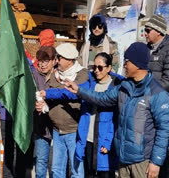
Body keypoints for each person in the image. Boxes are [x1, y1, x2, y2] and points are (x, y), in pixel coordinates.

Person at [64, 42, 169, 178]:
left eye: (127, 61)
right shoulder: (123, 87)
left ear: (137, 64)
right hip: (123, 159)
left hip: (143, 162)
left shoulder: (157, 93)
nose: (124, 65)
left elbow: (164, 129)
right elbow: (102, 98)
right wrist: (79, 90)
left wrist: (156, 161)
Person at [40, 52, 123, 178]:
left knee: (104, 173)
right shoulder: (90, 83)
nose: (96, 71)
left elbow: (116, 120)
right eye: (94, 67)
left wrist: (108, 141)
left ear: (109, 68)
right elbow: (69, 93)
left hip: (104, 142)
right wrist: (47, 93)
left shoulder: (115, 86)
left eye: (100, 68)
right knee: (87, 173)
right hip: (88, 138)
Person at [45, 42, 88, 178]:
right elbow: (49, 94)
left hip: (73, 131)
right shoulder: (55, 74)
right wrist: (44, 104)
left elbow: (70, 93)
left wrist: (49, 93)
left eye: (59, 58)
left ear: (69, 60)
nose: (56, 60)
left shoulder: (82, 75)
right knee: (57, 170)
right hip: (57, 130)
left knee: (76, 171)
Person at [0, 82, 33, 178]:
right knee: (8, 149)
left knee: (21, 148)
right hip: (6, 114)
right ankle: (7, 175)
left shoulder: (27, 67)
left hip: (22, 114)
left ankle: (20, 175)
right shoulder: (3, 68)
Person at [145, 15, 169, 178]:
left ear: (158, 31)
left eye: (147, 30)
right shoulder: (147, 48)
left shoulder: (167, 49)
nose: (144, 33)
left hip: (162, 104)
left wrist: (148, 92)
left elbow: (167, 80)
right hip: (147, 103)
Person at [33, 46, 56, 178]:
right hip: (41, 126)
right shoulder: (35, 76)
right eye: (40, 60)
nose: (42, 64)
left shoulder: (59, 76)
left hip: (58, 126)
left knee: (57, 164)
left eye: (46, 60)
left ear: (54, 61)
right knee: (41, 161)